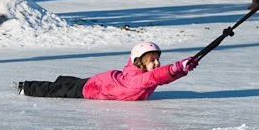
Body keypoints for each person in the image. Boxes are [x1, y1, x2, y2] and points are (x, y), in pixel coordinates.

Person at [16, 42, 197, 100]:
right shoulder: (137, 80)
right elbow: (155, 77)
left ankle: (62, 79)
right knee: (56, 90)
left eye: (158, 59)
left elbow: (160, 78)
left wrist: (182, 69)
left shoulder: (143, 76)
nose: (157, 63)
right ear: (139, 62)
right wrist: (175, 67)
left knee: (70, 81)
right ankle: (27, 87)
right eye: (152, 60)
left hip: (104, 81)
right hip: (93, 89)